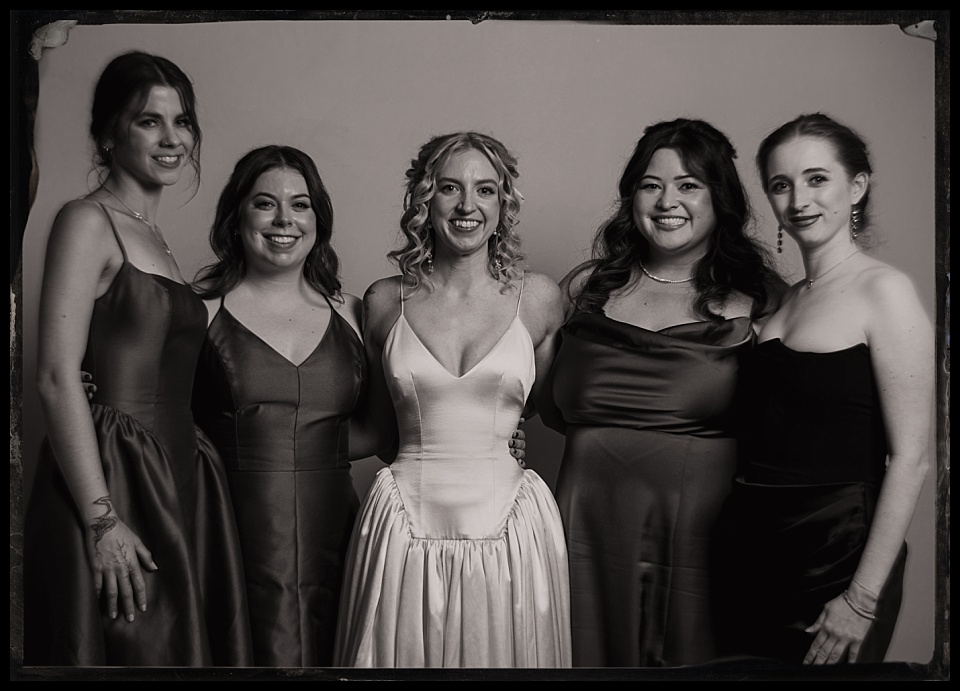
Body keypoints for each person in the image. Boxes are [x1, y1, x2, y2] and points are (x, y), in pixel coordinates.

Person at [23, 51, 252, 666]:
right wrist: (102, 522)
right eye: (149, 121)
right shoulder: (86, 221)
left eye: (182, 122)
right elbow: (53, 375)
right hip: (114, 474)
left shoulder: (156, 237)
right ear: (107, 133)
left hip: (178, 467)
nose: (172, 138)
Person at [542, 118, 784, 667]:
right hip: (584, 527)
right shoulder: (584, 288)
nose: (667, 200)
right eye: (651, 185)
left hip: (701, 539)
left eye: (689, 184)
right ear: (632, 197)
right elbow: (538, 405)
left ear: (720, 197)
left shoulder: (763, 300)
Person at [333, 131, 570, 668]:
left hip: (511, 525)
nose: (468, 206)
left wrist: (494, 428)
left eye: (485, 190)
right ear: (424, 199)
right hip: (402, 524)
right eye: (449, 188)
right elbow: (376, 429)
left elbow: (550, 404)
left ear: (503, 203)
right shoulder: (381, 301)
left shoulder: (538, 299)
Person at [722, 113, 933, 665]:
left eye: (817, 179)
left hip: (836, 550)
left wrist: (861, 599)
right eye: (781, 184)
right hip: (753, 547)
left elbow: (911, 459)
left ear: (856, 186)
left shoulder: (885, 291)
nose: (799, 200)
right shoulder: (785, 298)